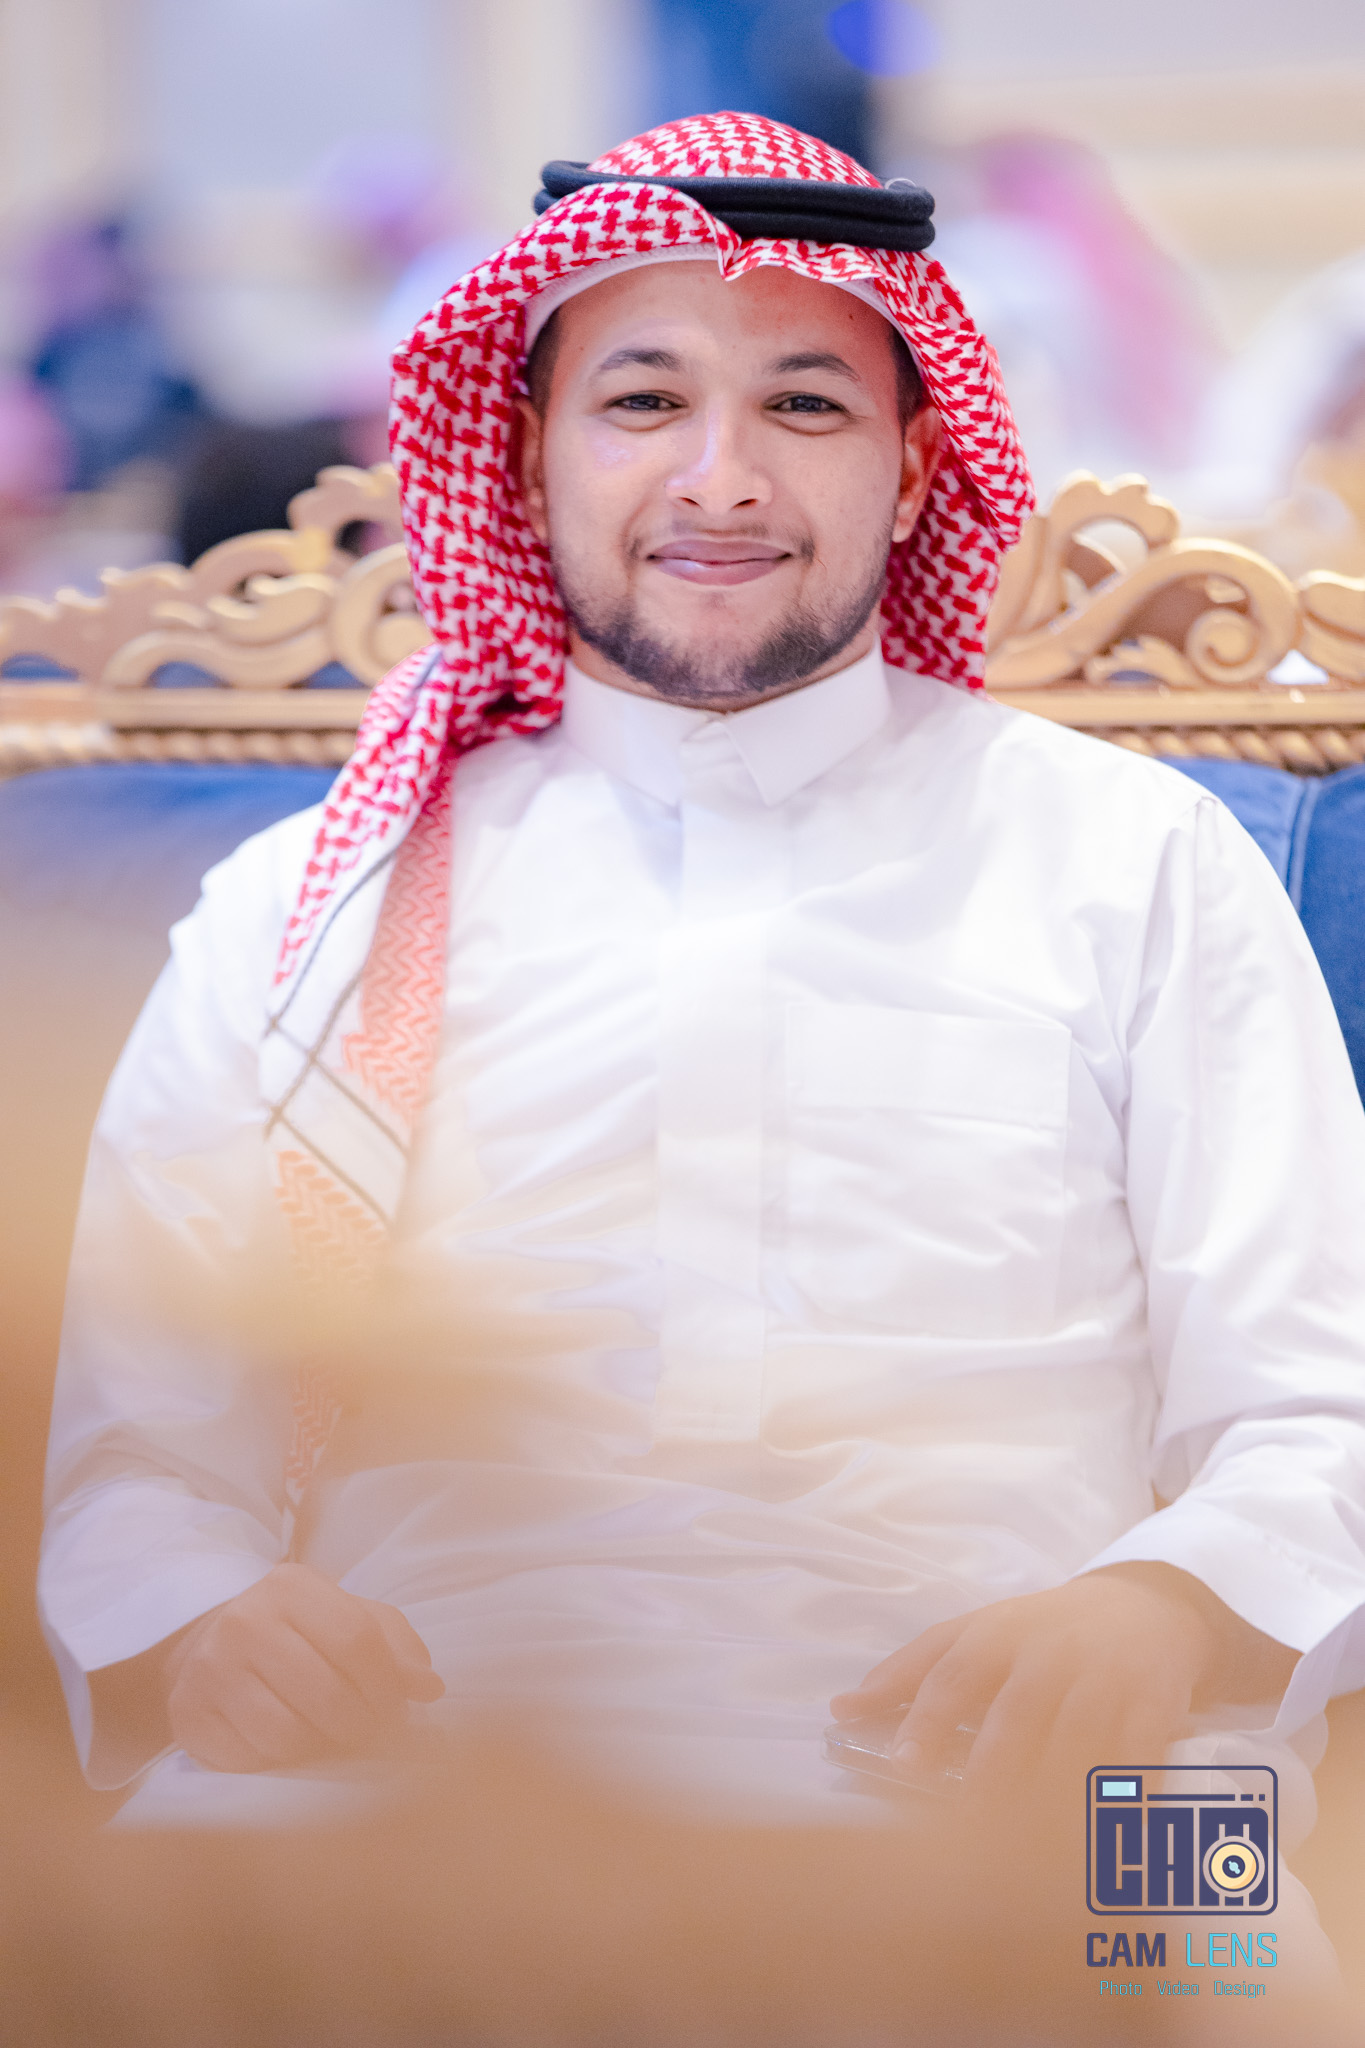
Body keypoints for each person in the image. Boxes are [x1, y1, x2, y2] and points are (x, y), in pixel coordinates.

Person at [37, 116, 1365, 1846]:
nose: (720, 479)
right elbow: (135, 1452)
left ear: (914, 467)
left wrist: (1161, 1611)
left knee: (1197, 1943)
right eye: (644, 400)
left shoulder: (1138, 862)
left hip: (1038, 1776)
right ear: (527, 460)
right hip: (400, 1785)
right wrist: (208, 1617)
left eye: (802, 405)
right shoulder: (310, 909)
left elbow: (1315, 1408)